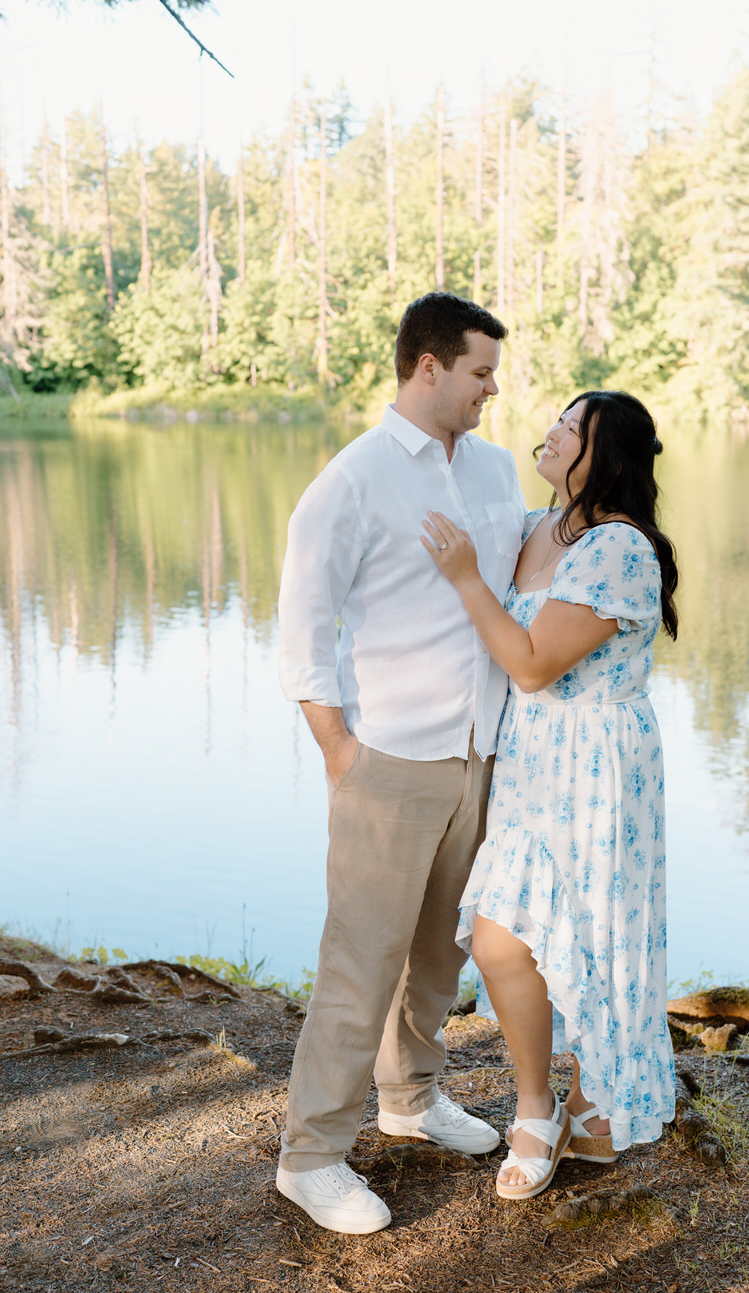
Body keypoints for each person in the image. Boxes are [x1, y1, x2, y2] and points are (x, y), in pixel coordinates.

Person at [275, 292, 526, 1234]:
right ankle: (311, 1157)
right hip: (388, 756)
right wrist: (338, 748)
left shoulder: (497, 469)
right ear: (428, 367)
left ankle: (411, 1100)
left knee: (438, 950)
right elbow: (302, 630)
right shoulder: (353, 481)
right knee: (362, 960)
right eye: (480, 373)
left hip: (479, 752)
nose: (491, 391)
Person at [421, 389, 678, 1200]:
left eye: (572, 428)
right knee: (501, 937)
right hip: (535, 757)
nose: (552, 430)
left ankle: (591, 1102)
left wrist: (466, 579)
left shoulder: (617, 549)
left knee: (595, 931)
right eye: (560, 419)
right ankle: (540, 1106)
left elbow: (532, 663)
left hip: (598, 765)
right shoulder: (537, 525)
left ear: (608, 458)